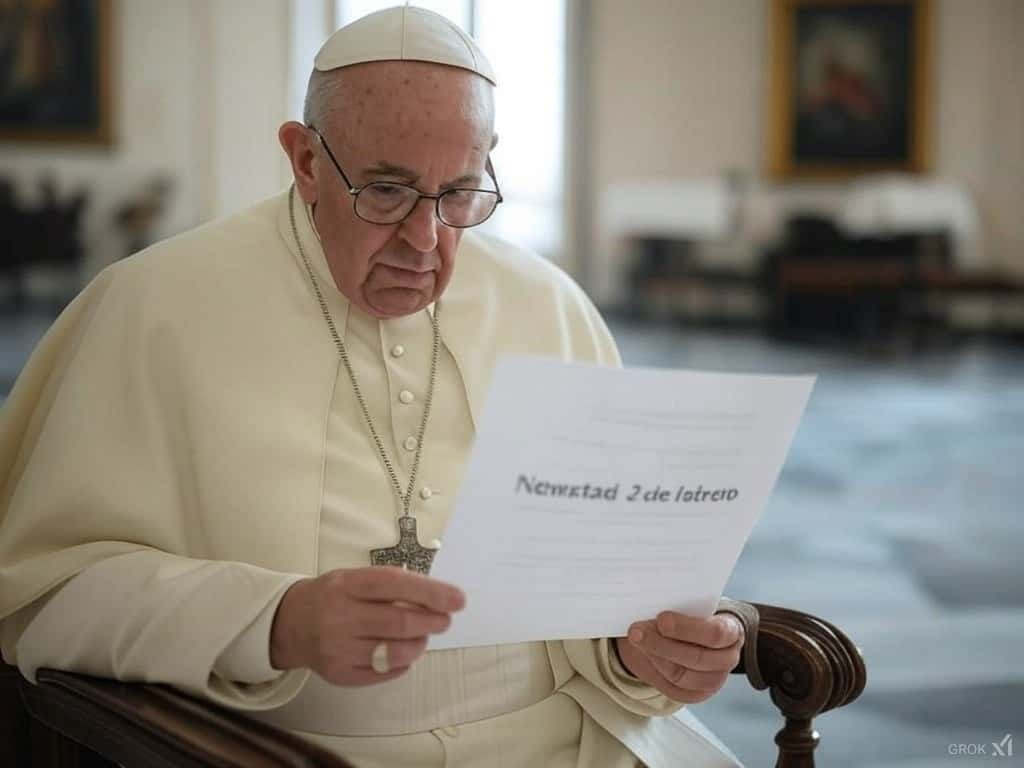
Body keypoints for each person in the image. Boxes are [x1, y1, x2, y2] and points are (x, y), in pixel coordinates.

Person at [0, 7, 744, 767]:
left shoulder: (548, 306)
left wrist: (647, 650)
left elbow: (607, 578)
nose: (425, 241)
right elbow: (41, 595)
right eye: (387, 191)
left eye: (459, 195)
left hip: (572, 741)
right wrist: (275, 621)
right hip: (281, 749)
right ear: (306, 161)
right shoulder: (153, 306)